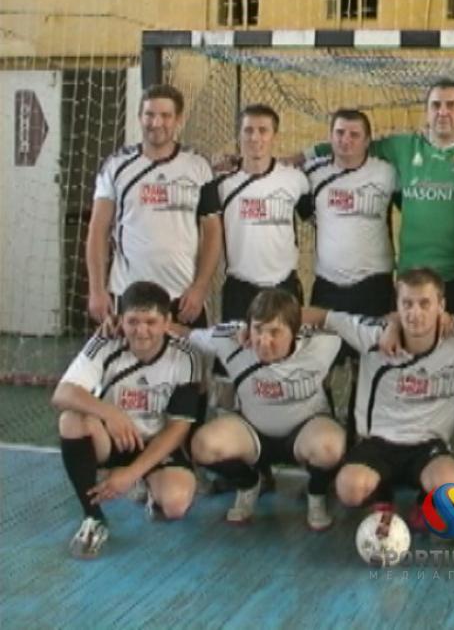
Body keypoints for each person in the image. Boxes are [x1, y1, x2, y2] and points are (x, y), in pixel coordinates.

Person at [307, 79, 454, 314]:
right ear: (426, 112)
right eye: (436, 105)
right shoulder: (403, 147)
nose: (442, 112)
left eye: (451, 105)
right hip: (410, 279)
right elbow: (349, 146)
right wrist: (298, 157)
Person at [301, 268, 454, 523]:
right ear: (397, 307)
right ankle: (381, 496)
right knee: (348, 489)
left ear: (441, 306)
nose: (415, 313)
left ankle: (422, 503)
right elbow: (323, 316)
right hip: (378, 443)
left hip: (428, 446)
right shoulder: (374, 335)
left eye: (425, 303)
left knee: (449, 489)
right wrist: (254, 327)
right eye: (407, 304)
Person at [53, 281, 202, 559]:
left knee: (175, 505)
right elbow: (62, 394)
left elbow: (179, 427)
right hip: (114, 439)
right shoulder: (105, 343)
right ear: (120, 320)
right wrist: (110, 413)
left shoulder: (185, 356)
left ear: (167, 322)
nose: (141, 331)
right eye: (133, 321)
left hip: (155, 443)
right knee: (71, 420)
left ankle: (141, 483)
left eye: (151, 322)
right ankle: (93, 517)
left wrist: (131, 474)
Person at [182, 289, 344, 530]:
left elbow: (346, 322)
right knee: (202, 446)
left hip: (304, 434)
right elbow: (189, 335)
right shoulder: (232, 341)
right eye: (258, 329)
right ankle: (248, 483)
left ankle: (316, 494)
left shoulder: (322, 344)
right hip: (253, 435)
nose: (264, 341)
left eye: (275, 332)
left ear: (295, 330)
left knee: (330, 447)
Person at [86, 84, 222, 328]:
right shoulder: (116, 166)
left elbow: (212, 232)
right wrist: (96, 289)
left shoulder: (198, 167)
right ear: (140, 117)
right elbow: (98, 230)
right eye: (149, 114)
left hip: (183, 298)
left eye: (166, 115)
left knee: (191, 354)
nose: (156, 123)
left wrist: (200, 287)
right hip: (128, 294)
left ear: (178, 119)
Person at [212, 104, 309, 320]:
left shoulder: (295, 180)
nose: (255, 138)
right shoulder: (221, 183)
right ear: (239, 135)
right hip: (240, 289)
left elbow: (317, 219)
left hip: (283, 287)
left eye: (263, 130)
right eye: (248, 130)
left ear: (275, 135)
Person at [302, 109, 396, 318]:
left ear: (367, 141)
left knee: (374, 340)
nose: (345, 140)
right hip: (328, 285)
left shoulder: (387, 173)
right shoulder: (312, 173)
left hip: (374, 284)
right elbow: (305, 211)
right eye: (340, 133)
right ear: (330, 136)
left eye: (354, 135)